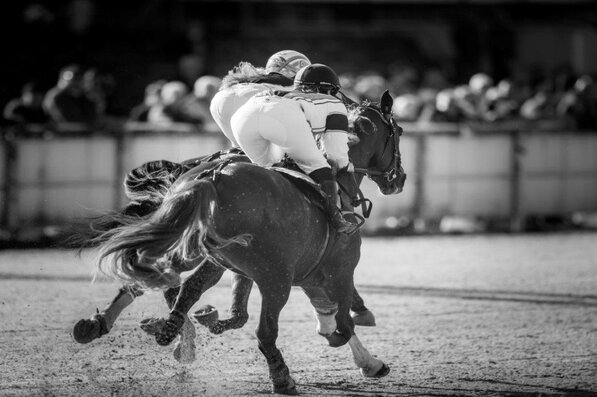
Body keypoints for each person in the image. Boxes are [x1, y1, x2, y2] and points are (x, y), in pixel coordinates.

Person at [230, 63, 359, 234]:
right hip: (280, 113)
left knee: (266, 172)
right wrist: (344, 167)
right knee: (319, 167)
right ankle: (335, 218)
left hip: (243, 115)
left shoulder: (288, 92)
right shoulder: (333, 102)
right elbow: (336, 153)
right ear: (330, 89)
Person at [210, 50, 311, 147]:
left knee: (241, 148)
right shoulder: (293, 85)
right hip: (254, 97)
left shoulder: (254, 77)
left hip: (220, 97)